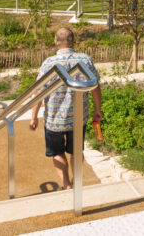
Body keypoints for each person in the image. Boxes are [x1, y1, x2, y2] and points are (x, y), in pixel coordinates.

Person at [30, 27, 102, 191]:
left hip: (54, 120)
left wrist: (33, 117)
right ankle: (76, 181)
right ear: (73, 42)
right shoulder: (85, 60)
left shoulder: (49, 63)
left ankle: (66, 184)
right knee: (76, 151)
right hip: (78, 118)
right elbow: (95, 87)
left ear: (55, 42)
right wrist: (98, 109)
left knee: (57, 152)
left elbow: (38, 91)